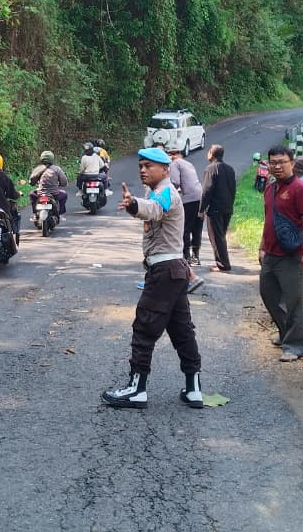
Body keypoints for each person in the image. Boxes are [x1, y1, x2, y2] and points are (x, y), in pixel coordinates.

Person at [102, 147, 205, 410]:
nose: (143, 170)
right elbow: (151, 207)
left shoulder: (167, 192)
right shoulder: (158, 192)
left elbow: (155, 210)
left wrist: (134, 204)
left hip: (165, 272)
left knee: (144, 327)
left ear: (165, 169)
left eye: (149, 166)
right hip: (174, 271)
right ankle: (193, 389)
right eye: (141, 166)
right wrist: (138, 203)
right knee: (182, 329)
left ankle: (137, 390)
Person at [258, 145, 303, 362]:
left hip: (293, 255)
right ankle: (286, 333)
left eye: (282, 162)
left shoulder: (301, 189)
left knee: (294, 301)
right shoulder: (270, 189)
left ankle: (296, 345)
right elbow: (268, 220)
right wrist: (262, 247)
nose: (277, 166)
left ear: (292, 163)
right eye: (273, 162)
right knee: (268, 294)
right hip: (271, 254)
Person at [198, 144, 236, 272]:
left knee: (216, 236)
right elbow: (233, 189)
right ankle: (223, 262)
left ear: (211, 154)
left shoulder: (211, 169)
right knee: (221, 235)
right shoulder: (230, 169)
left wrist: (201, 209)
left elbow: (206, 190)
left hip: (215, 208)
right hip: (227, 207)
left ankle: (223, 264)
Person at [167, 145, 204, 266]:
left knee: (185, 227)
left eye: (170, 154)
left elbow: (175, 182)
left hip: (189, 199)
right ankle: (196, 256)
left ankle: (186, 256)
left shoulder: (174, 164)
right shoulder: (188, 163)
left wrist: (169, 194)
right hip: (200, 196)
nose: (170, 156)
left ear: (173, 155)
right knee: (197, 227)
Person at [27, 150, 69, 216]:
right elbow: (64, 182)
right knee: (64, 195)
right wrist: (60, 184)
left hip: (40, 194)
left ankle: (35, 213)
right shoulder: (57, 169)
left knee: (32, 194)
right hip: (54, 194)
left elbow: (31, 182)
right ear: (52, 159)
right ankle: (60, 214)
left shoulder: (38, 169)